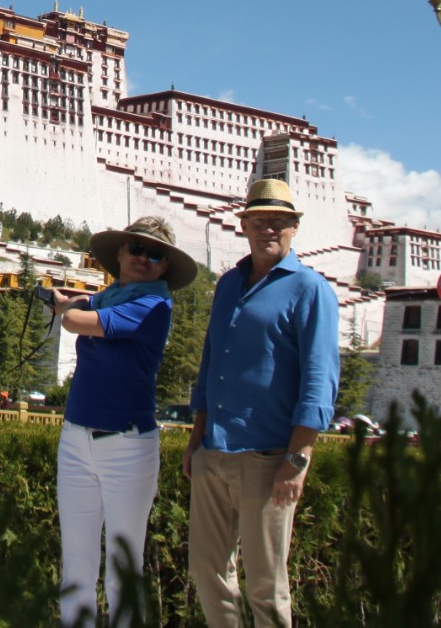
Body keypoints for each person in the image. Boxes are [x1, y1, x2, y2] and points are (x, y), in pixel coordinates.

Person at [185, 178, 340, 628]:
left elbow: (320, 378)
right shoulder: (229, 284)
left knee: (266, 584)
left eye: (277, 222)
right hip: (214, 451)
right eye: (258, 221)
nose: (267, 229)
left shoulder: (310, 289)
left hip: (269, 456)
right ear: (244, 226)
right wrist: (197, 439)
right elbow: (211, 363)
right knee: (206, 571)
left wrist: (299, 455)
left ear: (294, 228)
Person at [49, 215, 197, 628]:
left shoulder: (154, 305)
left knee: (122, 567)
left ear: (164, 267)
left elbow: (79, 320)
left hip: (127, 447)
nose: (144, 259)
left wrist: (66, 309)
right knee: (76, 562)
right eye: (137, 249)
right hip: (77, 438)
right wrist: (70, 301)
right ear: (120, 254)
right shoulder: (112, 295)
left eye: (155, 254)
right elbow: (86, 304)